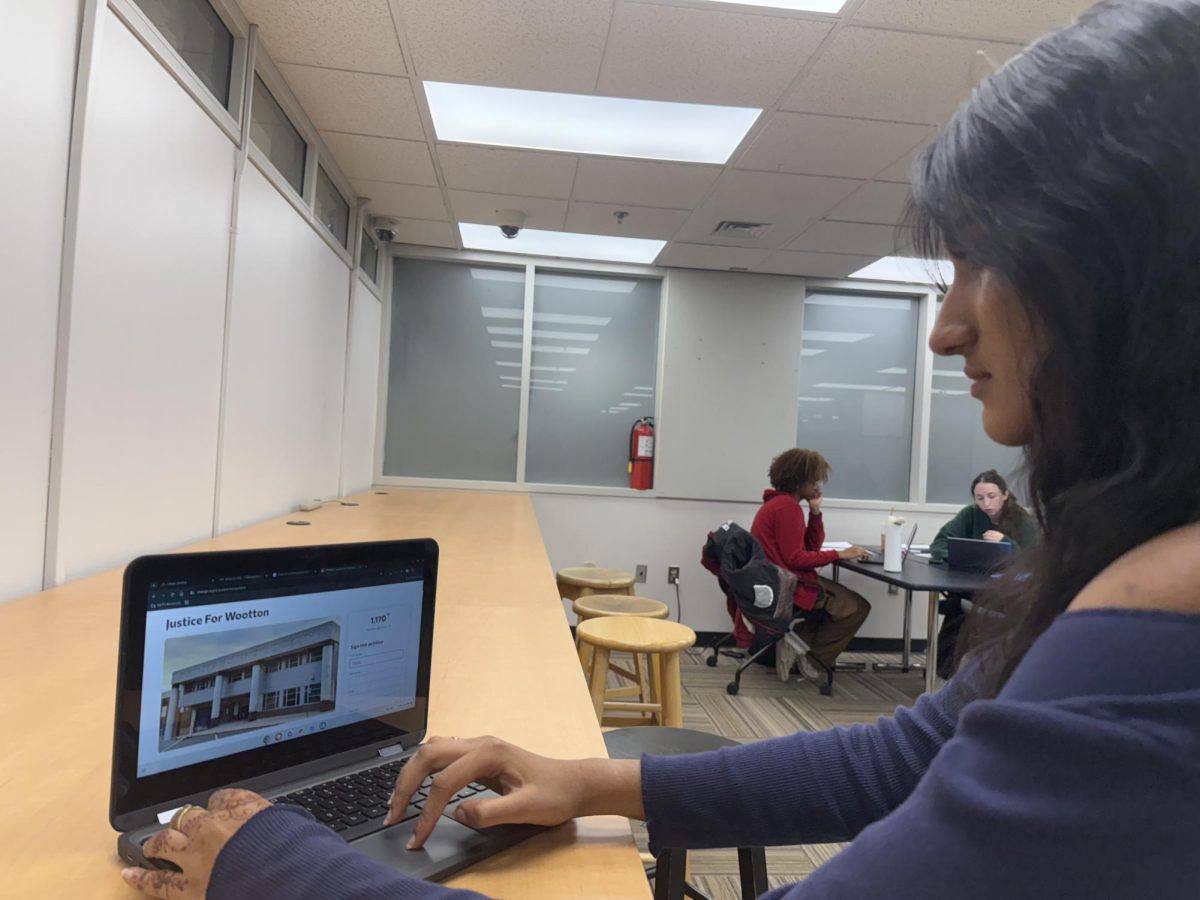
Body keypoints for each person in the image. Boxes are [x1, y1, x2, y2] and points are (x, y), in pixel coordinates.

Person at [122, 2, 1200, 897]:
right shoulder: (1132, 570)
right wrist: (589, 783)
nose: (945, 325)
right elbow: (913, 753)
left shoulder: (1160, 634)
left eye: (984, 263)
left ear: (1125, 271)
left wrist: (275, 864)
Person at [749, 448, 871, 680]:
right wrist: (839, 554)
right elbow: (796, 558)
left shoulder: (780, 504)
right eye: (813, 480)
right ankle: (813, 662)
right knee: (856, 607)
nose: (817, 486)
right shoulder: (787, 508)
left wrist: (815, 512)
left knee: (837, 604)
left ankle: (800, 649)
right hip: (788, 585)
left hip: (780, 580)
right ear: (798, 482)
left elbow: (810, 549)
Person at [929, 469, 1040, 677]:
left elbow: (1032, 560)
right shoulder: (971, 514)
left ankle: (987, 671)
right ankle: (944, 670)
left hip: (1007, 591)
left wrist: (1006, 543)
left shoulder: (1023, 522)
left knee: (965, 607)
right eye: (980, 498)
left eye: (992, 496)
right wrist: (956, 555)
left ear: (1005, 495)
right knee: (956, 605)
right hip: (970, 584)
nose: (986, 504)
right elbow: (939, 544)